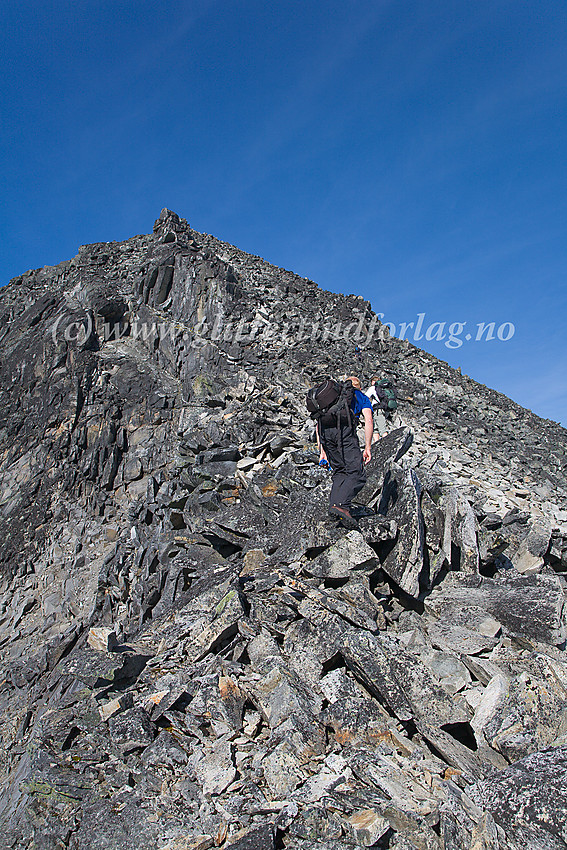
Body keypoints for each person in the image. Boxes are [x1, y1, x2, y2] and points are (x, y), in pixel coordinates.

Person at [316, 377, 374, 528]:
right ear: (358, 387)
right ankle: (342, 506)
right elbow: (368, 420)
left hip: (325, 434)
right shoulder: (359, 396)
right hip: (344, 433)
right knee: (357, 473)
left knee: (340, 471)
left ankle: (334, 506)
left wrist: (322, 451)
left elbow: (318, 423)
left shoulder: (331, 399)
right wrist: (367, 447)